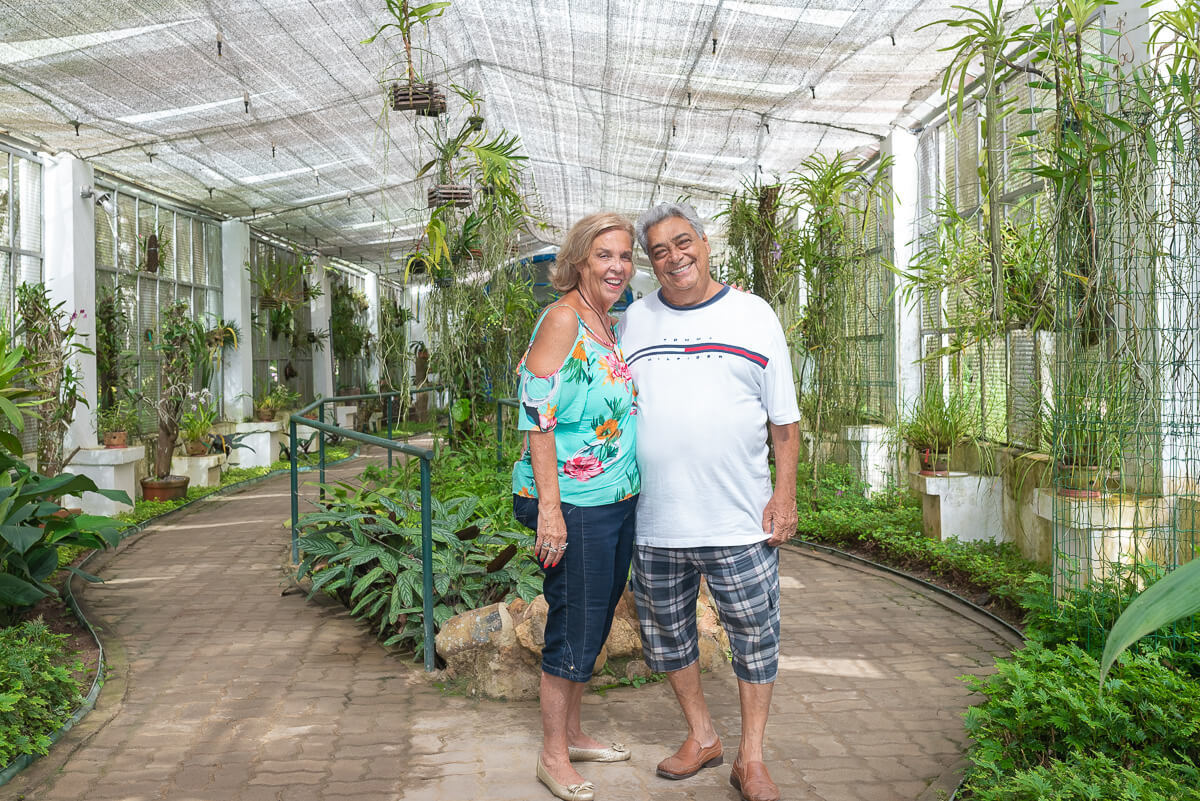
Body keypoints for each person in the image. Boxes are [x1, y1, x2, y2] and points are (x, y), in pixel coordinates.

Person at [618, 202, 800, 801]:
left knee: (754, 636)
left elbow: (784, 422)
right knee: (666, 636)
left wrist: (785, 495)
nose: (674, 257)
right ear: (650, 263)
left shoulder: (754, 314)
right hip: (656, 519)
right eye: (659, 251)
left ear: (705, 241)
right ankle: (702, 736)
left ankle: (751, 759)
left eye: (682, 242)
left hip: (739, 518)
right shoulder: (635, 320)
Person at [511, 212, 641, 801]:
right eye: (604, 256)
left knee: (595, 619)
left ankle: (574, 731)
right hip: (574, 502)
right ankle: (552, 756)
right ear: (580, 262)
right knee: (576, 624)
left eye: (624, 256)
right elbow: (538, 412)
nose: (617, 267)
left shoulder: (605, 320)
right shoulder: (564, 319)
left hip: (614, 498)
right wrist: (551, 510)